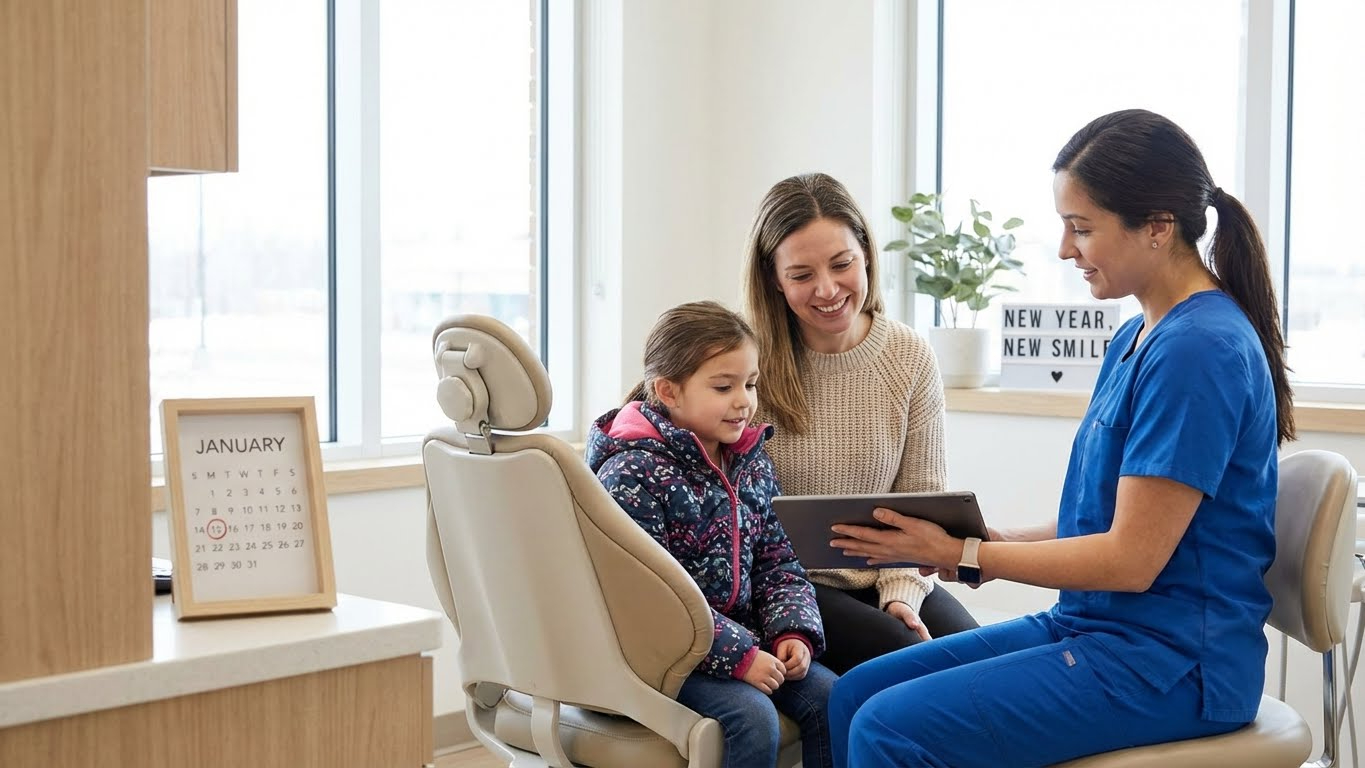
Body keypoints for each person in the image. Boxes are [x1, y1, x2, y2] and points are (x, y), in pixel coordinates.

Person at [824, 108, 1297, 767]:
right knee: (854, 695)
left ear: (1156, 227)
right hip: (1099, 628)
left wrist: (965, 552)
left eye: (1081, 228)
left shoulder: (1198, 350)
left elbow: (1129, 560)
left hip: (1172, 665)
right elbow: (1101, 520)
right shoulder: (1137, 336)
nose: (1064, 249)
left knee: (887, 728)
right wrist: (982, 542)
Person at [742, 172, 979, 674]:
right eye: (802, 275)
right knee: (918, 667)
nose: (827, 289)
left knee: (985, 662)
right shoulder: (746, 366)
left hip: (888, 574)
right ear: (774, 280)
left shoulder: (908, 356)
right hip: (790, 589)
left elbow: (921, 499)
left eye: (842, 264)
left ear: (866, 254)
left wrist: (901, 598)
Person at [586, 300, 837, 768]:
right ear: (669, 391)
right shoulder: (631, 474)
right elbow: (647, 599)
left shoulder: (750, 462)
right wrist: (741, 657)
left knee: (833, 698)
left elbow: (779, 562)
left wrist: (792, 631)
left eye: (750, 383)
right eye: (724, 386)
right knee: (752, 719)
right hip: (657, 656)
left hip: (737, 641)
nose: (743, 399)